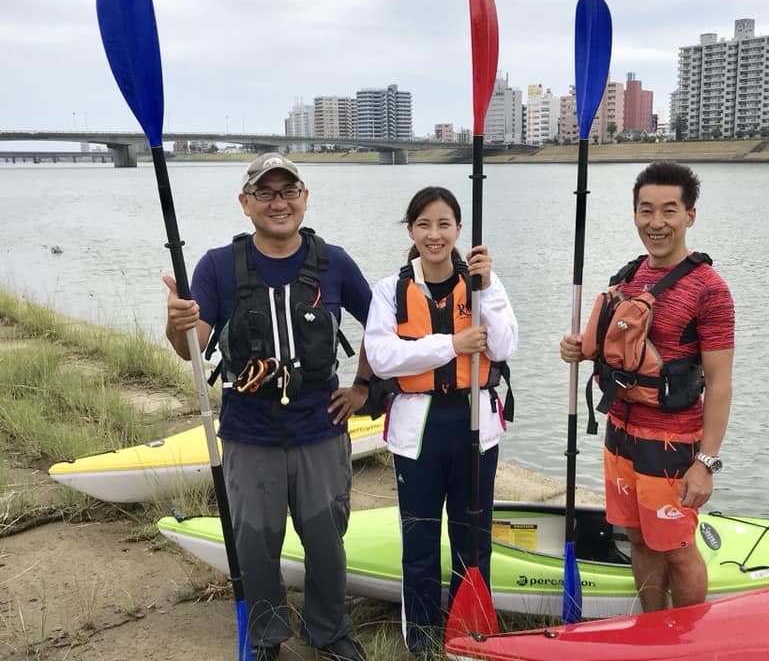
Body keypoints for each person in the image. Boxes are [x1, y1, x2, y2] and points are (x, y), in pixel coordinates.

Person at [164, 152, 372, 661]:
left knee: (326, 537)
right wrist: (178, 321)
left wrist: (364, 387)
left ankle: (328, 630)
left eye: (288, 191)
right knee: (255, 540)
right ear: (245, 203)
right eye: (265, 193)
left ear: (304, 198)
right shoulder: (218, 265)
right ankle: (266, 635)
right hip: (248, 427)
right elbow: (191, 346)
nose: (278, 203)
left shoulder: (335, 261)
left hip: (319, 425)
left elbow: (382, 326)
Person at [560, 161, 734, 612]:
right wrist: (582, 349)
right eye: (646, 210)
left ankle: (688, 640)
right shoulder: (629, 276)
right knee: (638, 537)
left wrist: (706, 464)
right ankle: (653, 632)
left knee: (676, 546)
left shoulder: (709, 289)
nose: (656, 223)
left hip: (672, 443)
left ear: (689, 215)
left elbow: (719, 384)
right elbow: (619, 350)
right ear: (635, 213)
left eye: (669, 211)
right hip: (620, 433)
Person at [363, 186, 518, 655]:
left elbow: (505, 346)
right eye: (424, 225)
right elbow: (382, 357)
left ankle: (471, 633)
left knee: (473, 538)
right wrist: (449, 345)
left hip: (474, 425)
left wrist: (486, 288)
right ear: (411, 230)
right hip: (418, 430)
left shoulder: (483, 283)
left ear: (458, 230)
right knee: (421, 537)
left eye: (444, 224)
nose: (435, 234)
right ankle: (424, 639)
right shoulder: (389, 290)